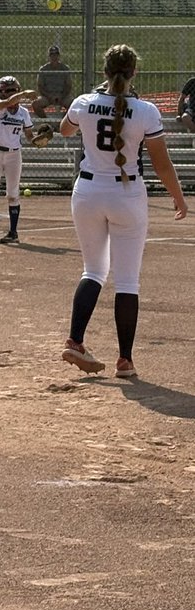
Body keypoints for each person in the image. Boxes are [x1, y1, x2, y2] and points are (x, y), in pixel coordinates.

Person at [59, 44, 187, 378]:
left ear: (105, 71)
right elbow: (161, 164)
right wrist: (179, 197)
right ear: (134, 72)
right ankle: (125, 360)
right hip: (127, 193)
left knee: (94, 270)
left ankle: (75, 340)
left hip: (87, 191)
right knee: (127, 279)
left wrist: (94, 106)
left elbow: (65, 129)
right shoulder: (146, 110)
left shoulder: (84, 103)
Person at [0, 75, 36, 244]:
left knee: (13, 194)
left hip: (14, 154)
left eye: (12, 91)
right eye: (6, 92)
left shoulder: (24, 113)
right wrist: (24, 94)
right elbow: (6, 103)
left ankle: (13, 232)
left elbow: (28, 135)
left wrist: (37, 140)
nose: (9, 95)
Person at [31, 45, 74, 118]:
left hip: (62, 95)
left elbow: (68, 85)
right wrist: (49, 96)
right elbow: (40, 86)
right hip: (47, 96)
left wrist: (62, 96)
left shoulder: (65, 68)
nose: (54, 57)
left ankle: (63, 122)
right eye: (52, 55)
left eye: (56, 54)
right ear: (49, 56)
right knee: (35, 104)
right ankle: (47, 122)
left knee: (73, 104)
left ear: (59, 55)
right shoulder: (43, 69)